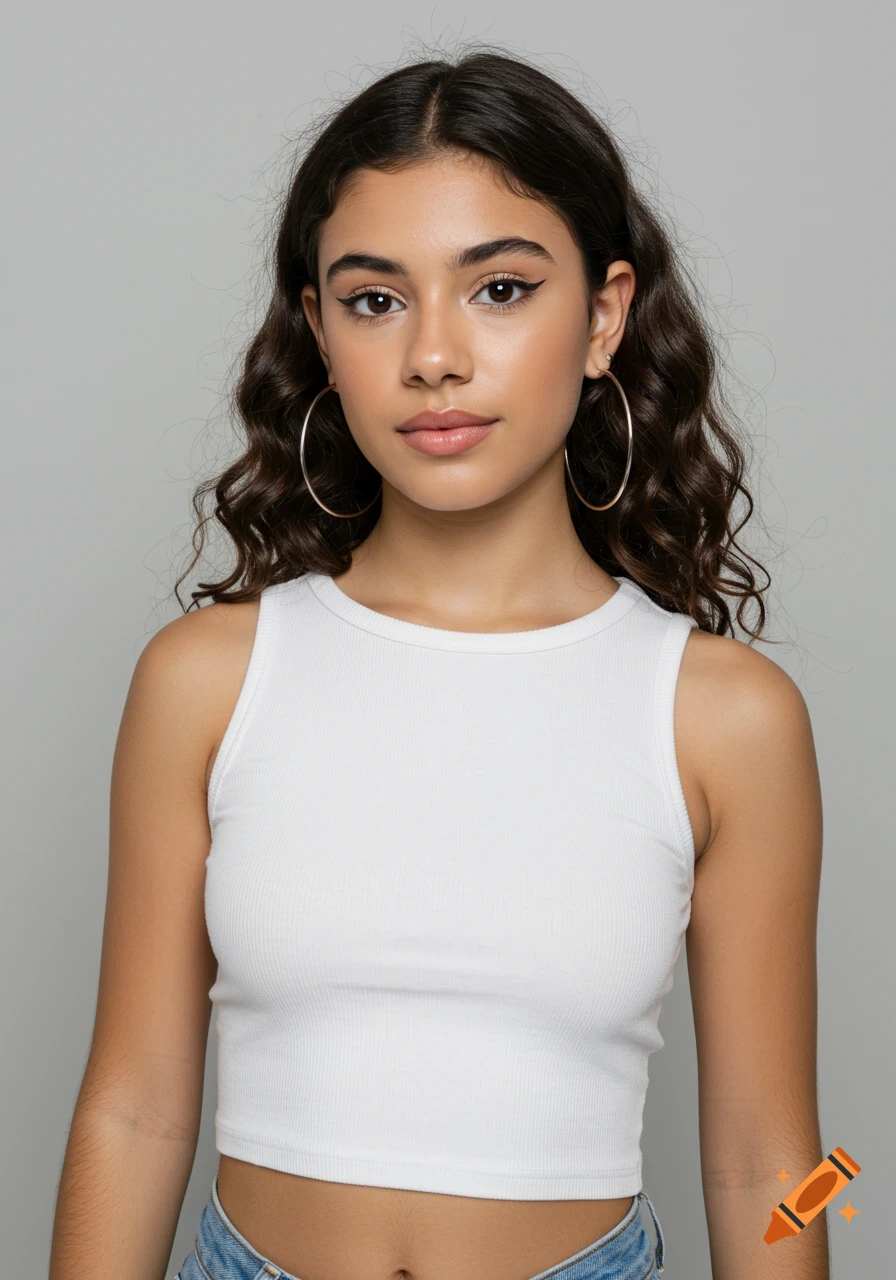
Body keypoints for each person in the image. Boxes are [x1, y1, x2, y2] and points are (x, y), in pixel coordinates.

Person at [49, 47, 828, 1280]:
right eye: (373, 300)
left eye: (500, 289)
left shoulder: (724, 718)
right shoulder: (205, 680)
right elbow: (132, 1109)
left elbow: (771, 1161)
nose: (433, 357)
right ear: (319, 329)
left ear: (604, 315)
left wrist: (801, 1222)